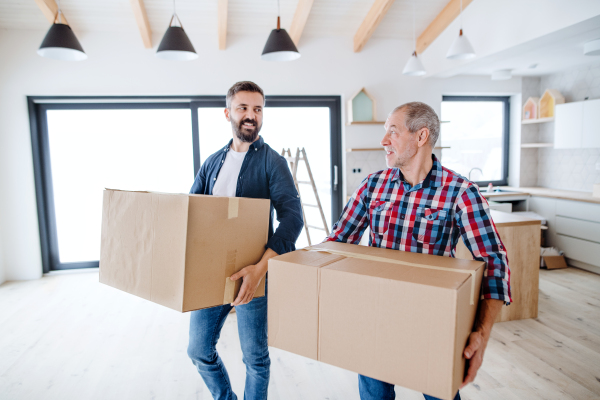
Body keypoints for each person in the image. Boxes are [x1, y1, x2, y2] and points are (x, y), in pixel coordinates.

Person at [326, 102, 512, 400]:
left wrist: (482, 332)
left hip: (434, 322)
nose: (384, 140)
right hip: (376, 315)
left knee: (440, 395)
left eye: (393, 132)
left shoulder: (460, 192)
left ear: (421, 136)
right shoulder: (372, 187)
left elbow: (493, 262)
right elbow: (335, 243)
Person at [187, 81, 304, 400]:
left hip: (255, 275)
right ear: (228, 113)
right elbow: (191, 212)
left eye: (258, 109)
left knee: (255, 358)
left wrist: (260, 269)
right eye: (243, 108)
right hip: (210, 273)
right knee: (198, 350)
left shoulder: (272, 162)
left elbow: (293, 218)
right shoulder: (212, 162)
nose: (251, 116)